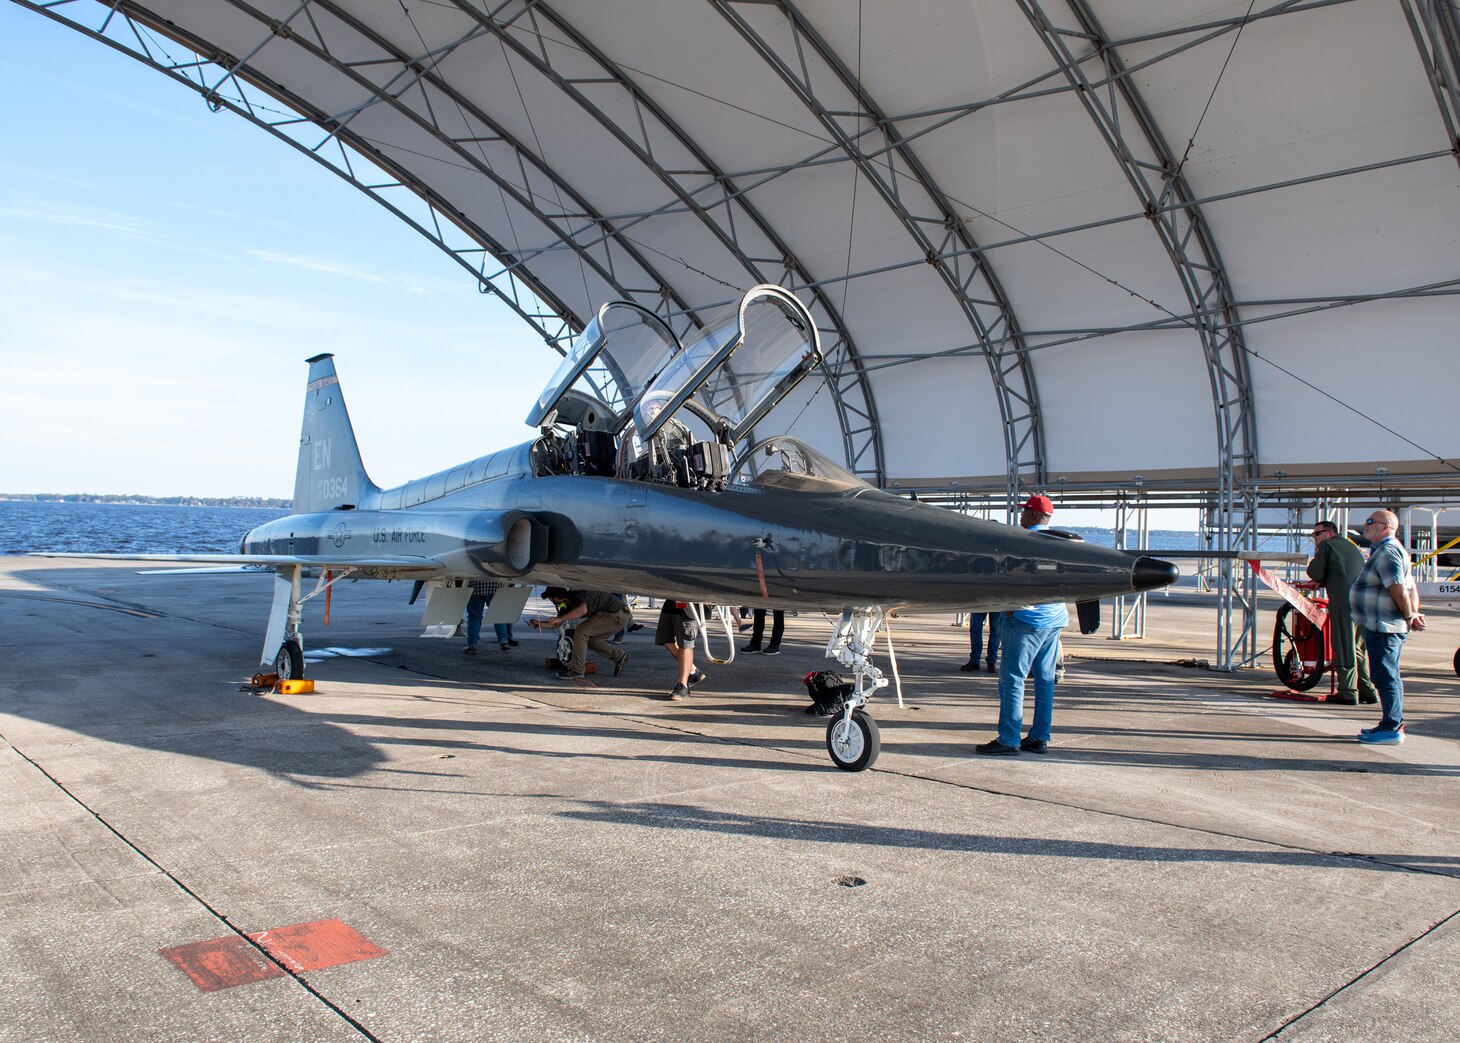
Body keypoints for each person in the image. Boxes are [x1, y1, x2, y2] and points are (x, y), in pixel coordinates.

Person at [976, 494, 1067, 756]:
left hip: (1027, 620)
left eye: (1023, 512)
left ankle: (1008, 739)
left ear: (1030, 514)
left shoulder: (1025, 541)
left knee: (1012, 680)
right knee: (1045, 680)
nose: (1020, 517)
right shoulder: (1059, 541)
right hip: (1054, 619)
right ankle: (1039, 737)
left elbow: (1011, 578)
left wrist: (1009, 609)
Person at [1349, 510, 1426, 745]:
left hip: (1384, 626)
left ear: (1385, 527)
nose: (1365, 525)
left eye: (1370, 522)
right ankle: (1389, 724)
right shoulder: (1387, 550)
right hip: (1382, 624)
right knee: (1387, 675)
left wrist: (1410, 613)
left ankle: (1392, 728)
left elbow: (1398, 587)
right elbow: (1410, 587)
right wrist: (1412, 614)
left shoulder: (1388, 551)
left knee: (1386, 677)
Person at [1305, 519, 1378, 705]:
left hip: (1344, 598)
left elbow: (1315, 572)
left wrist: (1316, 555)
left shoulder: (1327, 545)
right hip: (1365, 600)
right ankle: (1367, 689)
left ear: (1329, 533)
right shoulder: (1350, 546)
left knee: (1343, 643)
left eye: (1317, 533)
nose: (1315, 538)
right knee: (1357, 646)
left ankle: (1347, 690)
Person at [529, 587, 632, 681]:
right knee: (589, 639)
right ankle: (619, 656)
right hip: (615, 615)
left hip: (616, 614)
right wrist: (539, 624)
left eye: (551, 598)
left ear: (557, 597)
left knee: (580, 632)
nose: (551, 601)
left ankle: (577, 671)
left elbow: (583, 609)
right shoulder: (566, 603)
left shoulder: (577, 596)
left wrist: (559, 618)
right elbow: (557, 623)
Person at [657, 599, 707, 700]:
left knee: (685, 644)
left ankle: (683, 685)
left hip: (688, 606)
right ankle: (692, 670)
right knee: (664, 639)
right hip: (670, 602)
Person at [463, 580, 519, 654]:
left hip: (475, 587)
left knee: (474, 617)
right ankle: (504, 641)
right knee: (498, 615)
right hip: (494, 587)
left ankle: (472, 645)